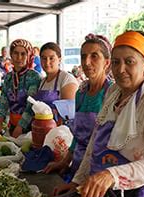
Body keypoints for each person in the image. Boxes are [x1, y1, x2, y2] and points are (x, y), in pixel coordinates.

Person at [55, 30, 144, 197]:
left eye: (130, 61)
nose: (120, 69)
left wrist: (111, 175)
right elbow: (94, 143)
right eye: (116, 62)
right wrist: (78, 181)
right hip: (105, 195)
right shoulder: (113, 92)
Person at [44, 34, 112, 178]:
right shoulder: (81, 93)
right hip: (77, 166)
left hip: (99, 172)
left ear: (107, 62)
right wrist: (64, 162)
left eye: (94, 56)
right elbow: (77, 136)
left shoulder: (111, 94)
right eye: (83, 56)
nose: (87, 62)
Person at [0, 39, 41, 137]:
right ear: (11, 55)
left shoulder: (34, 77)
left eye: (23, 54)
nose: (19, 57)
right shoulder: (8, 77)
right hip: (12, 125)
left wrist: (21, 126)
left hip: (30, 128)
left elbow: (31, 105)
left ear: (28, 56)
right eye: (15, 53)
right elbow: (3, 101)